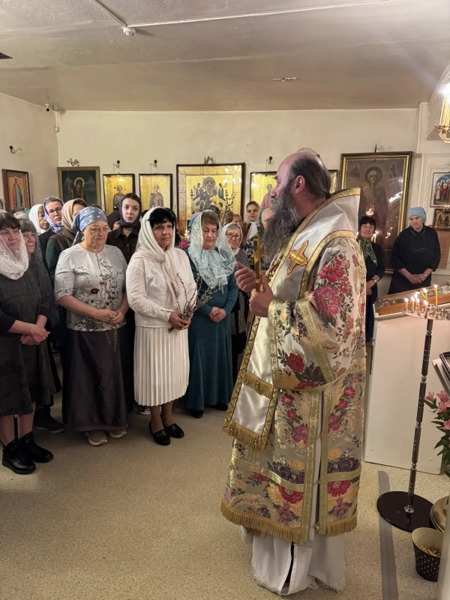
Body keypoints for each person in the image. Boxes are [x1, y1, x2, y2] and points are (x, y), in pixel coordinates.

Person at [221, 151, 366, 595]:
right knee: (271, 464)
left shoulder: (336, 241)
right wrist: (261, 289)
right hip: (279, 383)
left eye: (277, 180)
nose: (271, 191)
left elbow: (335, 330)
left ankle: (296, 568)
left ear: (298, 184)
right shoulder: (307, 229)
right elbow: (291, 289)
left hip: (309, 396)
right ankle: (269, 541)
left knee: (298, 476)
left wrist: (273, 309)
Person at [54, 206, 133, 446]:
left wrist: (122, 311)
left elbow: (129, 288)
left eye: (104, 229)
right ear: (82, 230)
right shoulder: (69, 255)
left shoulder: (115, 253)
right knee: (88, 378)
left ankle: (115, 420)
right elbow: (62, 295)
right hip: (84, 329)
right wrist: (96, 313)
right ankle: (92, 425)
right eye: (94, 229)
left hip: (116, 326)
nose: (100, 234)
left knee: (113, 376)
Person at [127, 208, 197, 445]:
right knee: (155, 378)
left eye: (169, 226)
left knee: (174, 374)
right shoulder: (140, 260)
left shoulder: (180, 256)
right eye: (159, 227)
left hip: (178, 326)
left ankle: (169, 417)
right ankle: (155, 420)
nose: (166, 232)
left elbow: (191, 287)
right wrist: (168, 315)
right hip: (153, 328)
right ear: (148, 231)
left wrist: (188, 312)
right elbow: (135, 299)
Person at [0, 213, 56, 474]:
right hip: (6, 344)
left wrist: (39, 327)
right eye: (4, 233)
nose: (13, 237)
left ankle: (26, 438)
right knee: (7, 395)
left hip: (33, 340)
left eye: (15, 231)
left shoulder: (27, 262)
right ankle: (10, 448)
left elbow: (44, 298)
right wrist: (30, 329)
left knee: (32, 389)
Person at [180, 211, 238, 418]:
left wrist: (226, 309)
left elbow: (233, 286)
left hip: (221, 319)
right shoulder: (187, 256)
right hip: (199, 319)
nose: (211, 235)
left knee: (220, 356)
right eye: (206, 231)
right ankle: (197, 401)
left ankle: (219, 396)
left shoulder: (224, 256)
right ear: (197, 232)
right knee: (200, 357)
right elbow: (187, 289)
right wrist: (206, 310)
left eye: (214, 231)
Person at [388, 207, 441, 294]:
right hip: (402, 280)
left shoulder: (432, 233)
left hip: (423, 279)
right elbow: (395, 258)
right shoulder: (403, 235)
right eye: (411, 219)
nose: (414, 221)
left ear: (423, 218)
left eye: (417, 218)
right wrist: (409, 277)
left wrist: (424, 275)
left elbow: (436, 256)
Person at [223, 222, 250, 381]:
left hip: (239, 303)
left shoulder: (242, 255)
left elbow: (248, 280)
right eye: (230, 235)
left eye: (237, 236)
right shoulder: (218, 253)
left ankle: (233, 378)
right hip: (222, 301)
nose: (234, 239)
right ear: (224, 236)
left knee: (236, 343)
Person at [45, 199, 87, 282]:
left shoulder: (90, 236)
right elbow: (53, 274)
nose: (82, 217)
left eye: (85, 214)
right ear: (67, 216)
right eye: (77, 215)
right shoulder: (56, 240)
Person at [357, 216, 384, 342]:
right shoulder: (352, 245)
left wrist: (371, 283)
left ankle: (366, 342)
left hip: (371, 288)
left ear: (374, 230)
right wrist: (362, 287)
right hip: (355, 288)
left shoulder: (377, 248)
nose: (367, 229)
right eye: (365, 226)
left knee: (368, 317)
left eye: (371, 227)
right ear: (359, 228)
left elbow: (381, 269)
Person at [39, 196, 64, 268]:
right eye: (51, 211)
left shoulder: (74, 231)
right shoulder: (42, 239)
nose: (56, 213)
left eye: (58, 209)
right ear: (47, 215)